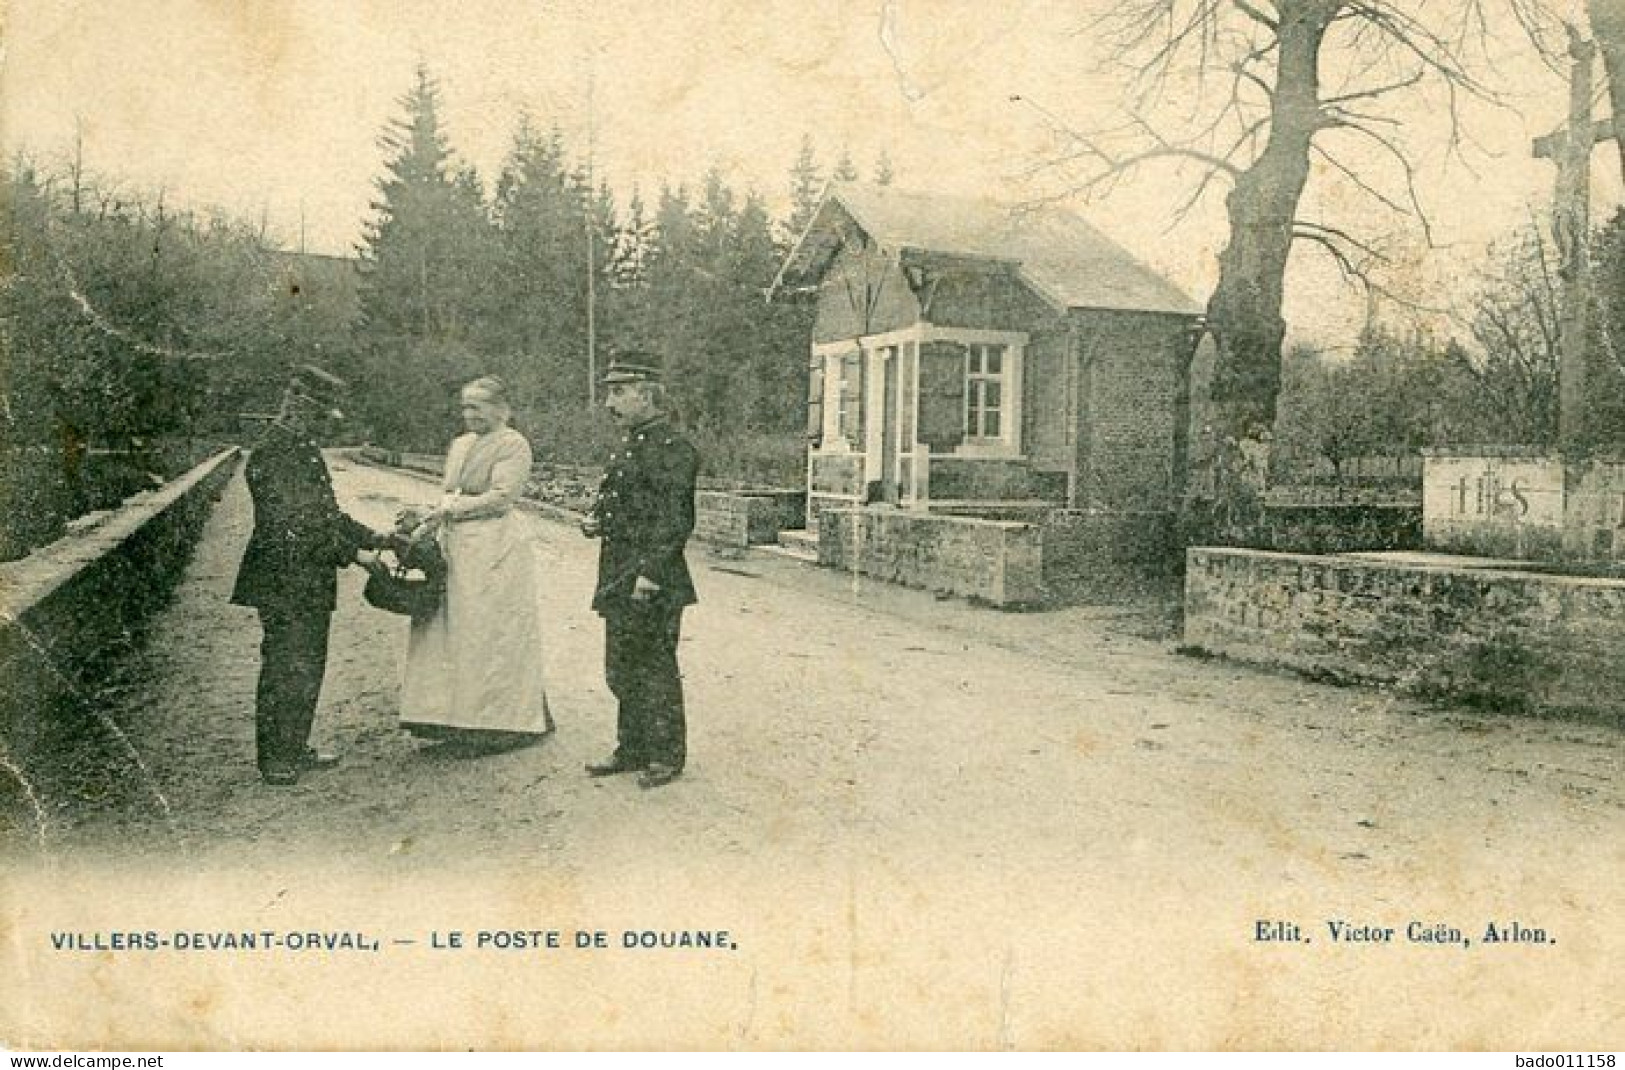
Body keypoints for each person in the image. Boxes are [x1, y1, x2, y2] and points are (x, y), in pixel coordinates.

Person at [230, 365, 388, 786]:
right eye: (317, 416)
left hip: (306, 577)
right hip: (284, 577)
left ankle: (293, 746)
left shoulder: (298, 448)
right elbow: (296, 523)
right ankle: (277, 758)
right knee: (287, 665)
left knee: (306, 664)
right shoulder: (277, 453)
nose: (321, 426)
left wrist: (375, 536)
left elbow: (327, 515)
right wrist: (355, 554)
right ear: (297, 406)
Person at [394, 376, 554, 751]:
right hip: (456, 544)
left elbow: (500, 497)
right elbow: (450, 492)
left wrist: (444, 511)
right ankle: (450, 720)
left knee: (487, 630)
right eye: (465, 407)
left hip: (494, 545)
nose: (470, 415)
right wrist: (426, 514)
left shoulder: (513, 444)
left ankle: (498, 723)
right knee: (450, 631)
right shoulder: (461, 444)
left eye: (478, 407)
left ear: (501, 408)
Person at [581, 358, 699, 789]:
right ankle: (631, 747)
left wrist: (650, 573)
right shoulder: (629, 444)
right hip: (618, 570)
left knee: (654, 666)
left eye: (618, 391)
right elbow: (622, 502)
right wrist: (598, 520)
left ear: (646, 394)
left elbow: (674, 520)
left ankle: (666, 755)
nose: (609, 402)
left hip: (654, 577)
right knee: (621, 666)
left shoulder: (674, 449)